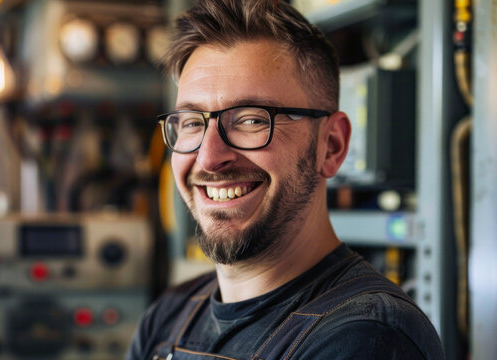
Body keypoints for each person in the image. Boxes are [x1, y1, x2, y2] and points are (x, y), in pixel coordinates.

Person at [126, 0, 445, 359]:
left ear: (332, 145)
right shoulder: (168, 315)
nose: (210, 158)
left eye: (251, 119)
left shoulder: (365, 337)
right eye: (191, 123)